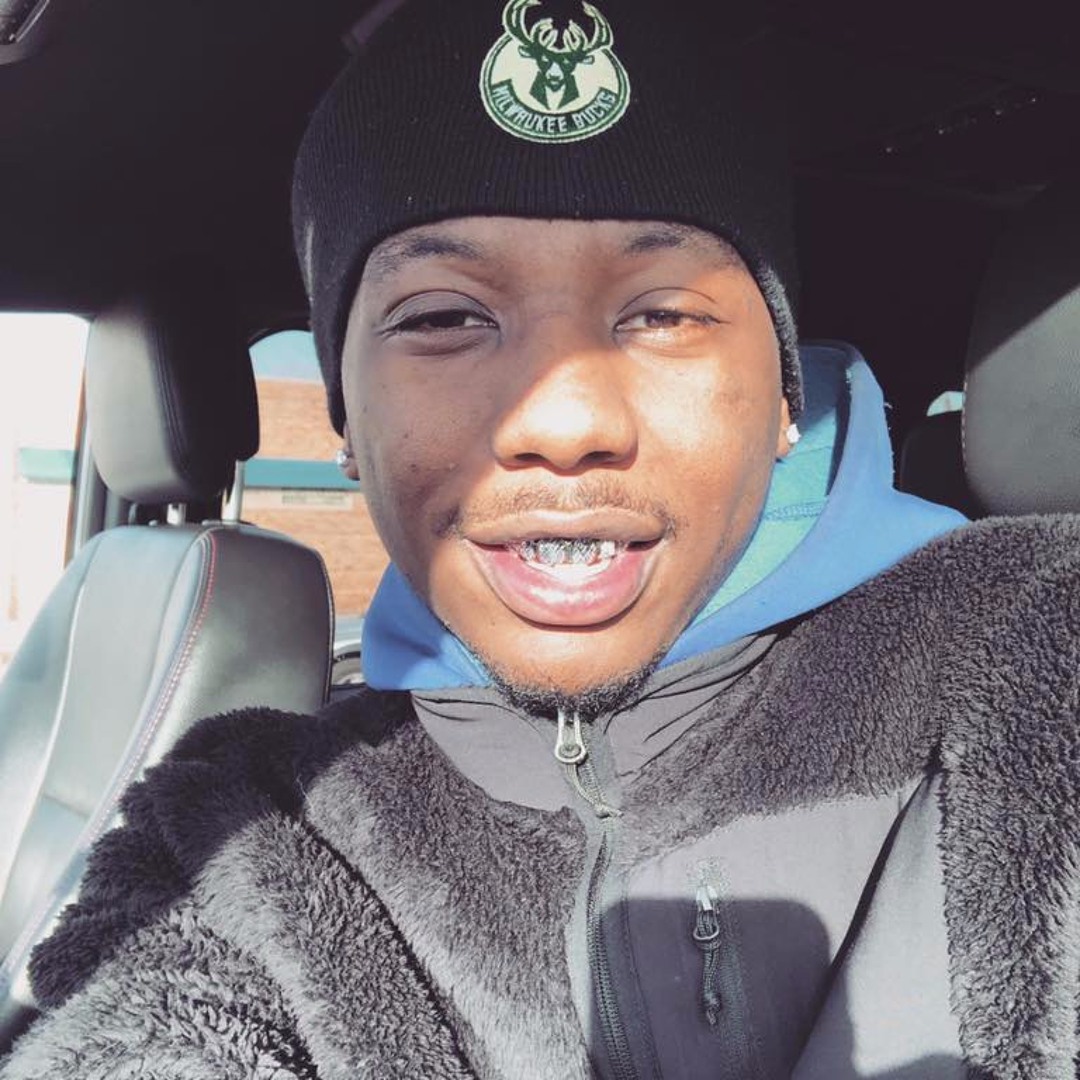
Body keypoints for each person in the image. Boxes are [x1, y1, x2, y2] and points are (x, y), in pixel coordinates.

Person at [3, 2, 1080, 1078]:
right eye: (443, 318)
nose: (563, 422)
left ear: (785, 401)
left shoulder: (1040, 649)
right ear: (345, 425)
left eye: (662, 313)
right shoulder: (238, 829)